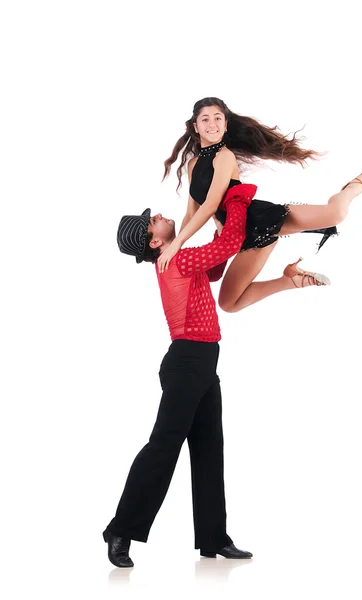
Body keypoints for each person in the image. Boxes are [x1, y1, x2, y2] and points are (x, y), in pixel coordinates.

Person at [103, 185, 259, 568]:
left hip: (202, 360)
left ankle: (213, 538)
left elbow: (218, 267)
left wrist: (221, 222)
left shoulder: (182, 258)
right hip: (188, 360)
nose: (159, 214)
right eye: (153, 220)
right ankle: (120, 530)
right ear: (155, 241)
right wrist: (237, 200)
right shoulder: (175, 261)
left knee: (209, 448)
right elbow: (231, 245)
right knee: (164, 445)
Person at [159, 97, 362, 314]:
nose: (212, 124)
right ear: (195, 126)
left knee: (336, 213)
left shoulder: (224, 157)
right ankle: (290, 280)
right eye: (205, 119)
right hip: (238, 236)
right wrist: (174, 249)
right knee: (229, 303)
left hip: (258, 219)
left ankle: (354, 186)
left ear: (226, 125)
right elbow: (192, 211)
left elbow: (210, 205)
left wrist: (177, 243)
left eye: (218, 118)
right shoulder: (193, 164)